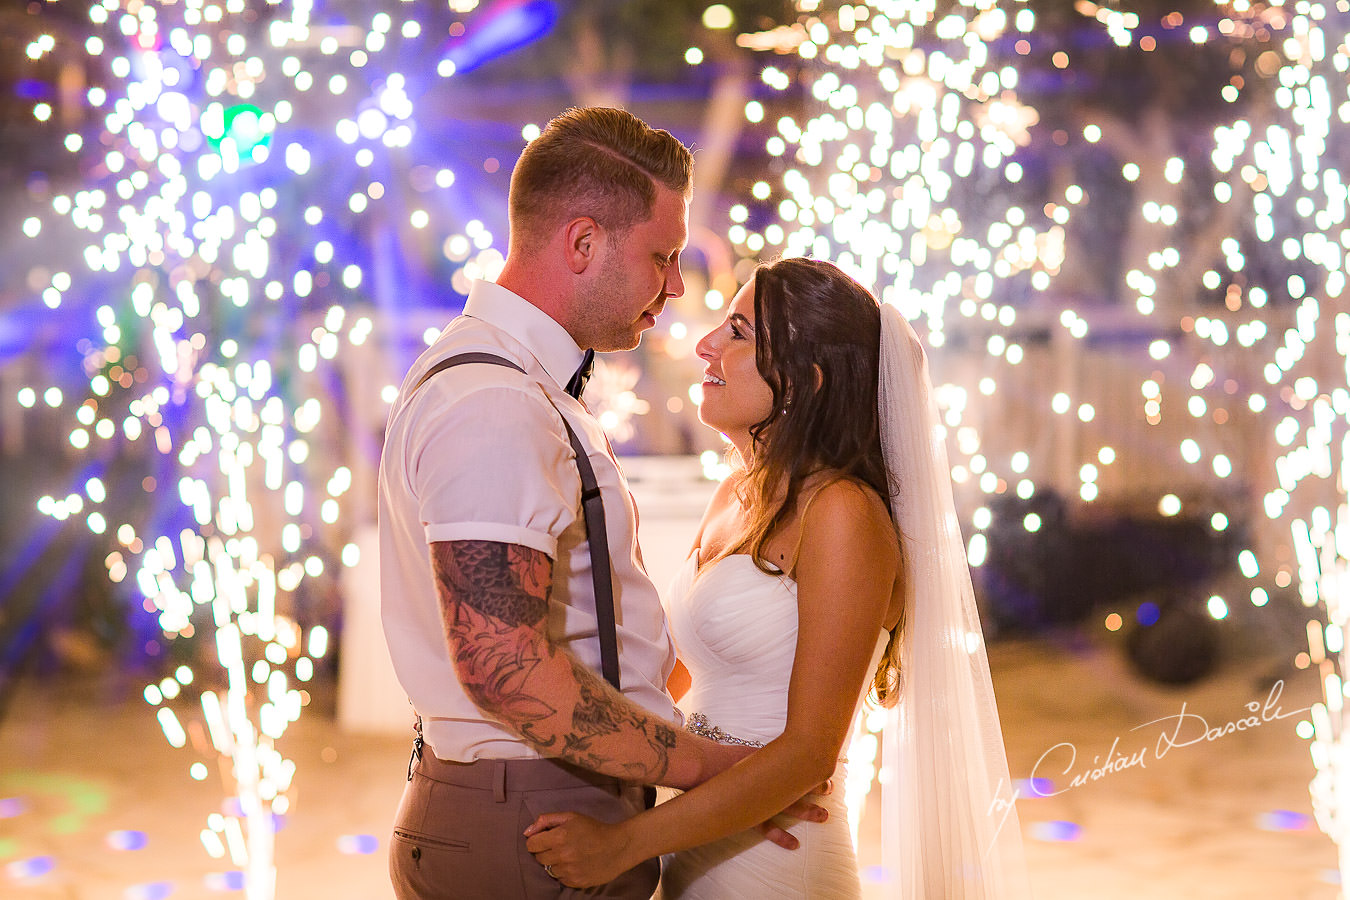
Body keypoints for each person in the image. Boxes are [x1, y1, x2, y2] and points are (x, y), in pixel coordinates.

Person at [378, 108, 814, 900]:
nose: (677, 287)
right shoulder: (495, 402)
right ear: (582, 243)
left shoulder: (516, 385)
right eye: (662, 256)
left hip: (540, 800)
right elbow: (502, 665)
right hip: (530, 820)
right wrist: (712, 775)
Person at [524, 257, 1030, 897]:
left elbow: (810, 753)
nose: (706, 344)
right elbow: (682, 683)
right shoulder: (737, 490)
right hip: (697, 836)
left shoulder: (843, 513)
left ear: (806, 380)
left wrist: (621, 845)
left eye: (737, 332)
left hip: (780, 860)